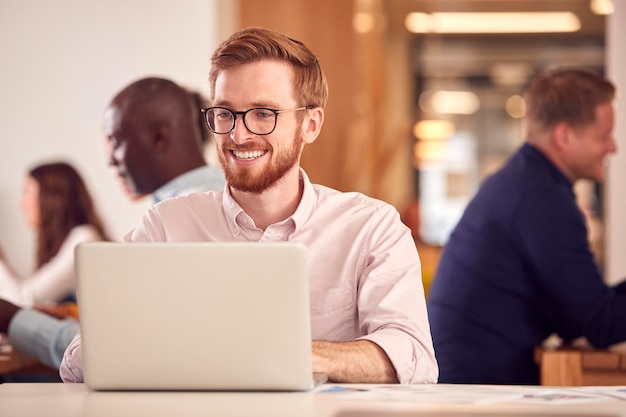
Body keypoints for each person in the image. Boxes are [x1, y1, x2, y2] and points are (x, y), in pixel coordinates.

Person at [60, 27, 438, 385]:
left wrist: (298, 358)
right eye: (225, 113)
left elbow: (414, 357)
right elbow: (78, 360)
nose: (238, 135)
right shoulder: (166, 226)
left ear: (310, 124)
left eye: (263, 114)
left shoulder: (370, 227)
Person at [2, 78, 226, 372]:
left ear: (159, 137)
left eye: (116, 142)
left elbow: (118, 352)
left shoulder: (188, 217)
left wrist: (14, 319)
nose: (110, 161)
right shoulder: (195, 204)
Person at [427, 67, 626, 385]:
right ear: (564, 137)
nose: (612, 148)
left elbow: (578, 314)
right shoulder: (542, 200)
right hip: (477, 394)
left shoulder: (524, 184)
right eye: (603, 136)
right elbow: (598, 324)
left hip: (468, 380)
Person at [0, 162, 110, 308]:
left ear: (50, 197)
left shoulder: (83, 240)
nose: (22, 203)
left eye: (27, 192)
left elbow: (22, 301)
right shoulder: (67, 242)